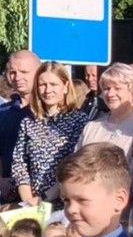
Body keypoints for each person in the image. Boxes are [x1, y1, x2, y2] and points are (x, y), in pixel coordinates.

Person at [12, 61, 90, 206]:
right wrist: (28, 200)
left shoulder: (79, 121)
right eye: (42, 85)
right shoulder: (28, 123)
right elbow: (19, 164)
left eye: (53, 84)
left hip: (66, 202)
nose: (47, 90)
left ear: (65, 86)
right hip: (32, 203)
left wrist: (45, 198)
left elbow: (78, 165)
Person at [77, 64, 133, 166]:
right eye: (106, 88)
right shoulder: (91, 127)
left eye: (117, 88)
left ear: (132, 91)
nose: (110, 94)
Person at [0, 49, 40, 197]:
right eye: (12, 72)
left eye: (24, 72)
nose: (17, 77)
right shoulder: (3, 112)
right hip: (8, 195)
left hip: (43, 195)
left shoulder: (50, 112)